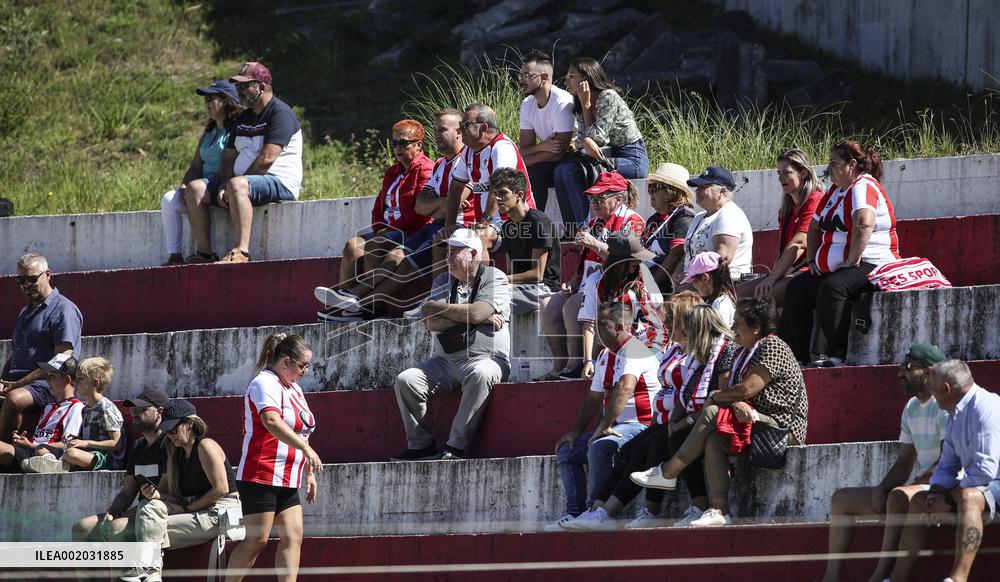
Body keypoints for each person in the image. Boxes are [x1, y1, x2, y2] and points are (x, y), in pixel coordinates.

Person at [632, 299, 808, 526]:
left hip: (781, 426)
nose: (732, 328)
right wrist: (733, 401)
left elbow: (745, 389)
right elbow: (737, 394)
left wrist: (716, 398)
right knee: (714, 441)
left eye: (738, 324)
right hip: (753, 419)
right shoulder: (746, 351)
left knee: (712, 411)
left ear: (756, 328)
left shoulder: (772, 346)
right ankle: (719, 510)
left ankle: (667, 472)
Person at [571, 292, 705, 530]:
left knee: (652, 446)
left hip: (687, 420)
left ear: (685, 321)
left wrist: (673, 422)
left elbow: (690, 393)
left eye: (670, 317)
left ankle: (679, 508)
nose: (663, 320)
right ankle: (601, 511)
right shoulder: (675, 351)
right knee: (631, 449)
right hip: (663, 419)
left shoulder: (699, 353)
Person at [821, 343, 949, 582]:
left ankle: (880, 576)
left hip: (942, 485)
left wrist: (907, 488)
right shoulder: (911, 407)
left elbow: (947, 461)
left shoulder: (943, 405)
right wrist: (881, 488)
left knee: (898, 496)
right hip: (919, 485)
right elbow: (904, 462)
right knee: (841, 499)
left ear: (929, 372)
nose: (900, 373)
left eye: (908, 367)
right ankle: (831, 577)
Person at [392, 228, 512, 461]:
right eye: (447, 251)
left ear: (474, 254)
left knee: (481, 374)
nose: (448, 257)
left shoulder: (494, 277)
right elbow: (431, 322)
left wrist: (441, 308)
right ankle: (421, 445)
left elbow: (478, 312)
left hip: (487, 357)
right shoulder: (442, 280)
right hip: (445, 360)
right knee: (406, 380)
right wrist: (477, 316)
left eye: (455, 251)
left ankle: (455, 446)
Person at [778, 140, 900, 367]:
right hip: (842, 266)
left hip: (872, 263)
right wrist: (814, 259)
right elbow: (814, 228)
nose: (829, 169)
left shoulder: (863, 185)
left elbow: (863, 224)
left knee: (833, 287)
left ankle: (833, 356)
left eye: (834, 163)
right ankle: (796, 357)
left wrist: (853, 260)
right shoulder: (835, 190)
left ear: (851, 165)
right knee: (796, 288)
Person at [546, 301, 661, 531]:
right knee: (568, 450)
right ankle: (575, 512)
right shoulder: (605, 356)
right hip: (616, 427)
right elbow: (593, 399)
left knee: (599, 446)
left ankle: (595, 512)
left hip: (642, 425)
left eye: (603, 325)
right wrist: (575, 431)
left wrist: (603, 426)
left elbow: (625, 388)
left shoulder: (636, 350)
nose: (597, 330)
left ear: (619, 327)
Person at [887, 360, 1000, 582]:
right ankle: (895, 579)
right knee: (920, 500)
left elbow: (985, 471)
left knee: (969, 497)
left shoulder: (986, 408)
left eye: (933, 388)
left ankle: (957, 579)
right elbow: (948, 465)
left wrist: (948, 499)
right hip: (983, 486)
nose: (931, 393)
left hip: (994, 483)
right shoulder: (954, 414)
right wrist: (936, 494)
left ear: (946, 388)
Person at [184, 62, 304, 264]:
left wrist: (232, 185)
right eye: (237, 86)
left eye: (244, 86)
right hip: (242, 184)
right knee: (194, 188)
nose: (238, 91)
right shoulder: (244, 118)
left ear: (262, 87)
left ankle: (241, 252)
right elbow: (228, 158)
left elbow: (266, 160)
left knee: (237, 184)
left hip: (279, 181)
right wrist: (223, 184)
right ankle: (204, 253)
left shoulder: (280, 113)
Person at [314, 119, 434, 320]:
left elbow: (421, 212)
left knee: (376, 244)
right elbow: (379, 207)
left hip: (412, 232)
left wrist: (390, 229)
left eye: (403, 143)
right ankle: (345, 306)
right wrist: (379, 226)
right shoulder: (392, 171)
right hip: (389, 230)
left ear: (418, 145)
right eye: (394, 143)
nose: (397, 148)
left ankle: (373, 309)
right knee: (352, 246)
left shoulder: (426, 169)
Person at [227, 332, 320, 582]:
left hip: (287, 478)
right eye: (303, 365)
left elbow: (303, 430)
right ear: (286, 362)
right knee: (258, 540)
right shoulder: (264, 383)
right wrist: (307, 450)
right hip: (261, 473)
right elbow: (271, 421)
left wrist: (309, 472)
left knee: (293, 536)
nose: (305, 371)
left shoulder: (295, 389)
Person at [541, 172, 645, 380]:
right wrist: (573, 280)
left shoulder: (632, 222)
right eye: (592, 198)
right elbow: (586, 258)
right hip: (589, 283)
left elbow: (626, 262)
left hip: (617, 286)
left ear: (619, 199)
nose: (594, 203)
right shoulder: (597, 221)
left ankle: (577, 365)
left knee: (572, 307)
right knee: (548, 306)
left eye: (600, 198)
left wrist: (595, 244)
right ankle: (559, 365)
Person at [132, 398, 240, 582]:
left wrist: (186, 509)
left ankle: (149, 574)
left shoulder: (206, 446)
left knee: (144, 531)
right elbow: (176, 497)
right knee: (148, 508)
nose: (170, 435)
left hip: (220, 513)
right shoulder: (176, 454)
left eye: (173, 429)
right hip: (197, 512)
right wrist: (158, 495)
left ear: (189, 424)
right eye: (167, 431)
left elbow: (220, 490)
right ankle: (150, 574)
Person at [553, 57, 649, 227]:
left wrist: (587, 104)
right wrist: (585, 106)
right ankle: (571, 230)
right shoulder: (579, 104)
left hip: (632, 159)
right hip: (607, 156)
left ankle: (584, 228)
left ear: (586, 79)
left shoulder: (608, 97)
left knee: (571, 171)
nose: (566, 80)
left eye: (571, 76)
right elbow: (587, 142)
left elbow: (597, 138)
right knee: (561, 170)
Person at [0, 253, 83, 445]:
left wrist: (18, 384)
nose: (26, 285)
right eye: (20, 280)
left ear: (48, 275)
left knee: (13, 399)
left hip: (49, 384)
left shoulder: (63, 309)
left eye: (31, 279)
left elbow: (62, 359)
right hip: (21, 382)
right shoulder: (25, 311)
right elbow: (16, 353)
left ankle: (6, 456)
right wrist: (6, 381)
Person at [72, 388, 170, 543]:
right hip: (140, 509)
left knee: (116, 527)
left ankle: (122, 568)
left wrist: (127, 514)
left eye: (141, 409)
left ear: (159, 412)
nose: (134, 414)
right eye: (132, 410)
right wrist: (111, 512)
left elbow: (165, 493)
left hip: (162, 509)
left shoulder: (170, 444)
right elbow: (127, 492)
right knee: (81, 527)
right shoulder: (137, 447)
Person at [160, 79, 242, 265]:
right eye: (205, 99)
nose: (206, 103)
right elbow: (196, 166)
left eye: (211, 98)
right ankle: (174, 255)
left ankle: (205, 253)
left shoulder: (236, 130)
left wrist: (194, 186)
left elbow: (232, 165)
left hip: (220, 182)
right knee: (168, 199)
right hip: (200, 185)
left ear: (227, 101)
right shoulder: (209, 132)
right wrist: (184, 184)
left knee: (195, 189)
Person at [442, 103, 535, 259]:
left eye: (465, 125)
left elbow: (499, 185)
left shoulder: (501, 146)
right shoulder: (469, 151)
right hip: (491, 223)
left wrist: (486, 220)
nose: (460, 129)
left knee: (479, 238)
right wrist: (449, 225)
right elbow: (455, 188)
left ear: (484, 128)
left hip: (514, 222)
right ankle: (449, 284)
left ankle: (483, 283)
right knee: (443, 240)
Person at [736, 149, 823, 304]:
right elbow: (784, 249)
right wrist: (774, 276)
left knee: (761, 298)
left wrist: (772, 278)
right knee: (736, 294)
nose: (781, 178)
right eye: (779, 173)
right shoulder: (787, 209)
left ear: (803, 173)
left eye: (786, 173)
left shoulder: (815, 200)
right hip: (791, 272)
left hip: (810, 271)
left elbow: (800, 243)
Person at [576, 234, 666, 379]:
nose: (638, 261)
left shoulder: (644, 273)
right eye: (634, 258)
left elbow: (661, 312)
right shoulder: (596, 280)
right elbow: (589, 323)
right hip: (619, 348)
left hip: (652, 345)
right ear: (619, 259)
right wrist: (588, 361)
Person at [24, 356, 125, 473]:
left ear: (94, 383)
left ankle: (58, 465)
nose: (75, 382)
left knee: (71, 454)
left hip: (106, 458)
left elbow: (117, 443)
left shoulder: (106, 407)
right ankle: (55, 465)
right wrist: (75, 439)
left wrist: (85, 443)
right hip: (88, 452)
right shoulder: (86, 408)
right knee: (41, 449)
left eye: (80, 379)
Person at [492, 167, 561, 315]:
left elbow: (538, 274)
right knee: (481, 295)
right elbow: (512, 271)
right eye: (495, 194)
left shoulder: (539, 221)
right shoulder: (507, 227)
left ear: (519, 195)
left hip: (545, 288)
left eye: (503, 193)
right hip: (519, 288)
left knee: (492, 299)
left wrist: (501, 279)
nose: (497, 199)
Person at [1, 354, 83, 473]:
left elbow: (68, 444)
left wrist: (30, 445)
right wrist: (22, 441)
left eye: (52, 377)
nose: (47, 381)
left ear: (67, 380)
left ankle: (45, 465)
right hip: (30, 452)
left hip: (47, 453)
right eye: (48, 376)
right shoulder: (48, 407)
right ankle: (30, 465)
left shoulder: (76, 407)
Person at [517, 49, 575, 210]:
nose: (522, 80)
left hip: (571, 159)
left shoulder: (563, 103)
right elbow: (524, 150)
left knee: (534, 171)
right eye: (521, 75)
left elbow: (559, 152)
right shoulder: (527, 104)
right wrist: (542, 147)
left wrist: (523, 162)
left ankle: (535, 224)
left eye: (527, 75)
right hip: (547, 159)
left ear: (544, 77)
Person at [682, 165, 754, 282]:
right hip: (699, 282)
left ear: (722, 191)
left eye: (703, 187)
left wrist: (691, 279)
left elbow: (722, 258)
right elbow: (687, 255)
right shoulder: (700, 217)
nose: (697, 191)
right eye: (698, 187)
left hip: (723, 284)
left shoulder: (729, 214)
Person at [643, 162, 695, 291]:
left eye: (654, 187)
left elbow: (675, 255)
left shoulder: (683, 218)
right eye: (650, 187)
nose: (650, 193)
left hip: (663, 291)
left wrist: (650, 286)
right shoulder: (654, 219)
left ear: (669, 193)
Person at [682, 251, 737, 326]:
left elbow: (720, 336)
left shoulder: (721, 304)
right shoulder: (715, 301)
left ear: (705, 278)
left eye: (694, 281)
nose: (693, 285)